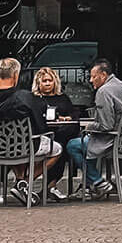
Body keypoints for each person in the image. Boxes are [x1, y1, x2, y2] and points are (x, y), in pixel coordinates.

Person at [0, 56, 59, 204]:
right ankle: (24, 182)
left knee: (13, 143)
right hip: (25, 147)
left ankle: (18, 182)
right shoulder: (25, 97)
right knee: (57, 149)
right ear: (16, 75)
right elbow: (40, 127)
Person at [67, 58, 122, 199]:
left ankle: (98, 182)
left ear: (103, 75)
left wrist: (89, 125)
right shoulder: (121, 85)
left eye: (94, 77)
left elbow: (106, 125)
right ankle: (89, 187)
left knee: (73, 145)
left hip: (114, 139)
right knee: (87, 143)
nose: (91, 81)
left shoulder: (103, 91)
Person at [33, 66, 80, 198]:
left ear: (55, 82)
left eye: (50, 80)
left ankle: (51, 185)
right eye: (44, 81)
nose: (47, 83)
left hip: (63, 134)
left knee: (65, 145)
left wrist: (67, 118)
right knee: (58, 146)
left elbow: (74, 114)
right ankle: (46, 186)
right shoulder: (35, 99)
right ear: (38, 83)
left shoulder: (63, 98)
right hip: (42, 135)